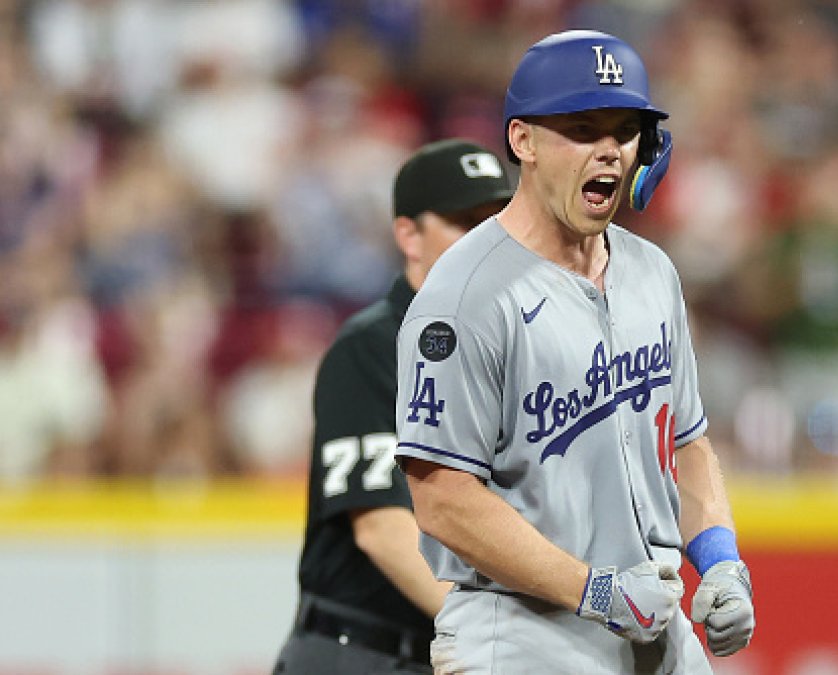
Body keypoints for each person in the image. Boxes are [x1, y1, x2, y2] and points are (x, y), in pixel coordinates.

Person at [394, 30, 755, 673]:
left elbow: (688, 443)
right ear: (523, 141)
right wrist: (594, 591)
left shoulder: (652, 271)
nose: (610, 151)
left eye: (624, 129)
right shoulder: (467, 294)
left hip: (655, 625)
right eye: (583, 128)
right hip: (524, 634)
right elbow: (443, 498)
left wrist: (722, 561)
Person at [274, 139, 516, 674]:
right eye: (463, 222)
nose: (486, 240)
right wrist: (497, 641)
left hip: (440, 654)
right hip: (357, 653)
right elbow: (383, 528)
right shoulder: (372, 346)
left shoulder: (511, 353)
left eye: (496, 221)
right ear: (409, 234)